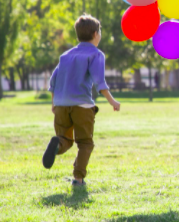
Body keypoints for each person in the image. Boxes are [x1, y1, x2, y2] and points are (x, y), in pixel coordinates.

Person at [42, 14, 120, 187]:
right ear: (95, 34)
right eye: (100, 31)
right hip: (82, 106)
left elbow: (53, 81)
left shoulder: (66, 55)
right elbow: (100, 82)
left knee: (65, 139)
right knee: (85, 143)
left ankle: (57, 144)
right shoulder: (96, 54)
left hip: (61, 104)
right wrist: (112, 101)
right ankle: (78, 179)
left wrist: (54, 103)